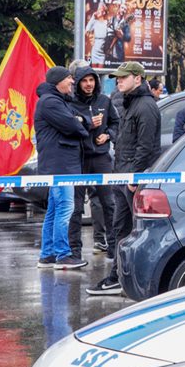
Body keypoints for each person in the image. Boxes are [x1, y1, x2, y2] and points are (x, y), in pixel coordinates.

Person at [89, 61, 160, 295]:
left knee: (136, 230)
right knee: (121, 227)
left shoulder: (146, 106)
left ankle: (137, 277)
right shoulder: (131, 103)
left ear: (137, 78)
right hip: (122, 174)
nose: (118, 80)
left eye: (122, 77)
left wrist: (136, 176)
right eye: (117, 78)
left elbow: (147, 146)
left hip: (132, 177)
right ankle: (117, 275)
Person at [33, 67, 91, 270]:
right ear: (58, 81)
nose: (72, 83)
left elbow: (82, 119)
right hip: (60, 165)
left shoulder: (58, 101)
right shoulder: (50, 102)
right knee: (65, 208)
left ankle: (47, 255)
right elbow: (74, 126)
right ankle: (63, 255)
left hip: (59, 164)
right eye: (69, 79)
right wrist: (80, 123)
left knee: (54, 210)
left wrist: (81, 121)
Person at [68, 65, 120, 257]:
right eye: (84, 81)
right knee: (76, 206)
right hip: (79, 159)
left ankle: (113, 248)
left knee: (109, 203)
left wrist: (108, 135)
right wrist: (89, 124)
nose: (88, 84)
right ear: (78, 83)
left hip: (101, 158)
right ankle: (75, 252)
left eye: (92, 80)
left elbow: (116, 123)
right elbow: (69, 127)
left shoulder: (104, 101)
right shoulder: (71, 103)